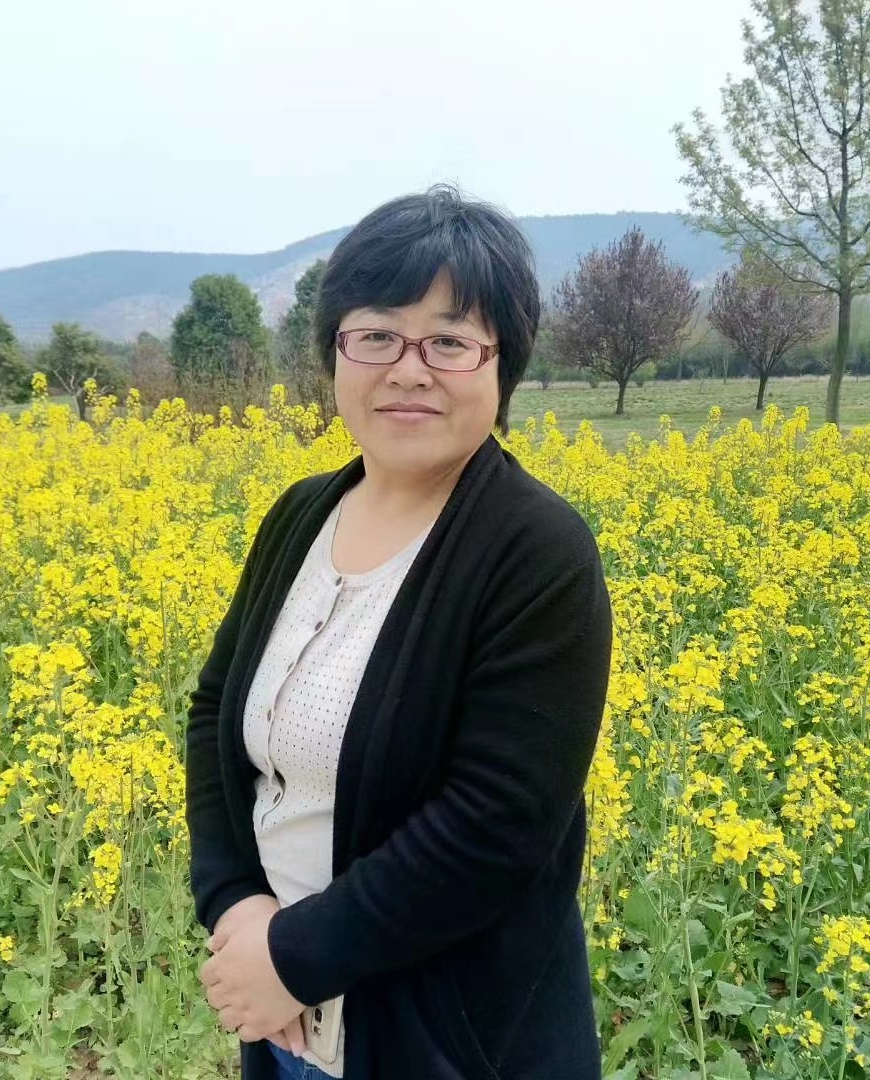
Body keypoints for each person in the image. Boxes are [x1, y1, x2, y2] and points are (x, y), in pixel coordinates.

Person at [188, 183, 614, 1080]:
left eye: (450, 342)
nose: (409, 370)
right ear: (335, 353)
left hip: (447, 1042)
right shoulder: (300, 516)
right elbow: (215, 712)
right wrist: (235, 907)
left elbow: (494, 826)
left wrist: (291, 959)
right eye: (376, 335)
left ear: (502, 367)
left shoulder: (536, 550)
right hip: (287, 1029)